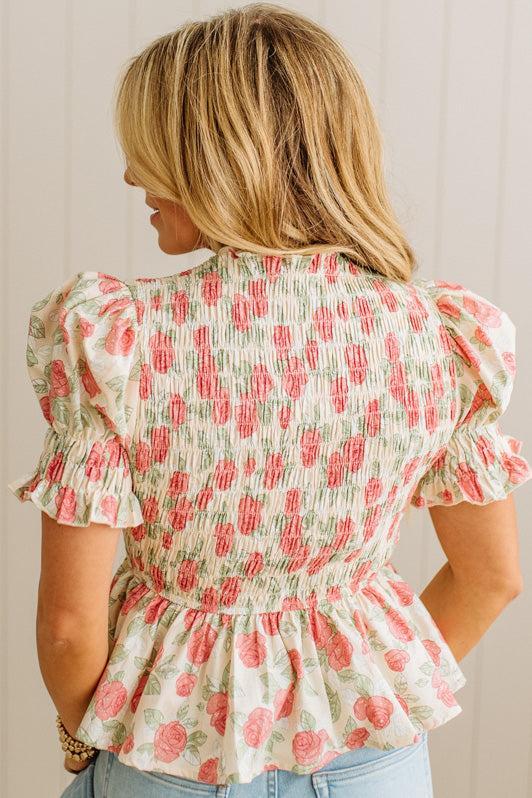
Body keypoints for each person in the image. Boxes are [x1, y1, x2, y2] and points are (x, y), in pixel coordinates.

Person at [8, 3, 531, 797]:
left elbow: (69, 627)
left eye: (152, 150)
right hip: (378, 766)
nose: (129, 176)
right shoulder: (445, 335)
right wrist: (367, 701)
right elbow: (490, 578)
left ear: (216, 158)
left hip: (172, 760)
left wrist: (87, 751)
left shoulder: (118, 340)